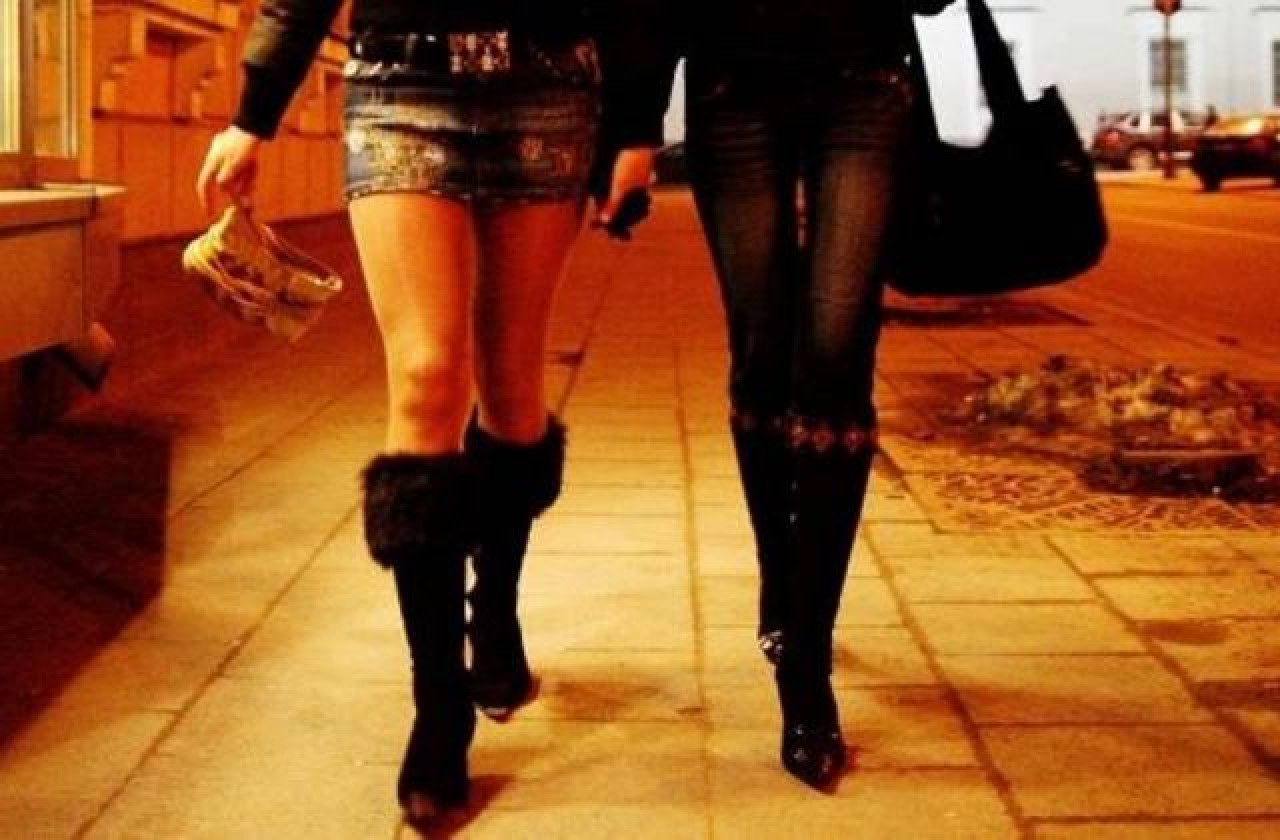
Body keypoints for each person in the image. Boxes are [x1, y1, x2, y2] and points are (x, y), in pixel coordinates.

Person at [196, 1, 660, 825]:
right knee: (426, 376)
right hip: (400, 82)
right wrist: (253, 113)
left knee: (511, 381)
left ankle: (495, 611)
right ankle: (439, 704)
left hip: (547, 86)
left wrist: (637, 127)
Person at [607, 0, 958, 791]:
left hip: (865, 86)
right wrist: (634, 128)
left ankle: (806, 662)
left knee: (837, 355)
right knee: (762, 352)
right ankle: (781, 575)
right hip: (733, 90)